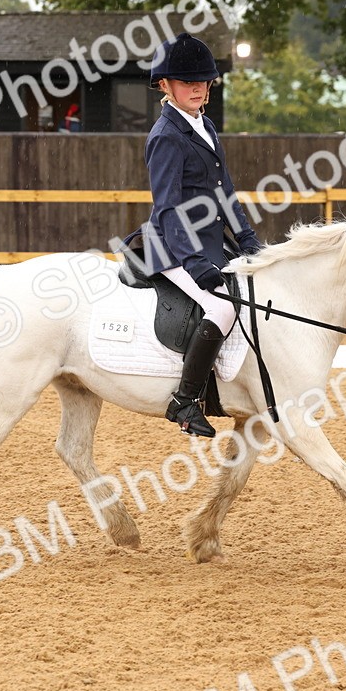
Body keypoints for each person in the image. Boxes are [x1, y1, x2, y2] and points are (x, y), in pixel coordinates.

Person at [119, 32, 262, 439]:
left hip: (211, 241)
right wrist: (196, 264)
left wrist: (249, 240)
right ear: (164, 86)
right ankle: (184, 400)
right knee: (221, 307)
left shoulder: (205, 125)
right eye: (187, 82)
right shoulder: (165, 137)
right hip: (171, 247)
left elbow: (225, 192)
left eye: (203, 80)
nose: (198, 87)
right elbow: (167, 210)